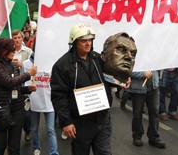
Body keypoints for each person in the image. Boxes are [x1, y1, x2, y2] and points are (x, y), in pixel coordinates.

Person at [51, 24, 129, 155]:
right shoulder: (62, 65)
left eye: (90, 40)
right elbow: (59, 96)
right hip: (80, 123)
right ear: (74, 42)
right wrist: (66, 122)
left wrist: (121, 81)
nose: (88, 43)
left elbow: (109, 79)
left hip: (103, 119)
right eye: (83, 41)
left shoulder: (97, 58)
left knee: (104, 152)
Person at [0, 38, 37, 155]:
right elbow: (8, 82)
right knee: (0, 145)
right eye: (12, 49)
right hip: (0, 110)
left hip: (17, 109)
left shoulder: (14, 66)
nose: (14, 51)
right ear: (2, 51)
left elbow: (15, 86)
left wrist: (27, 89)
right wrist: (28, 74)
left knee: (14, 147)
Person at [23, 53, 59, 155]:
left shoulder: (52, 63)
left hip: (49, 101)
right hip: (34, 100)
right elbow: (24, 81)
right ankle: (36, 148)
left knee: (50, 129)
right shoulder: (26, 64)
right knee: (34, 128)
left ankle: (54, 152)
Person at [127, 70, 165, 148]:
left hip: (154, 87)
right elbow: (128, 69)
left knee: (155, 113)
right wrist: (142, 74)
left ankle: (153, 137)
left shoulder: (155, 56)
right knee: (137, 114)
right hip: (138, 88)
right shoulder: (133, 56)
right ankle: (137, 136)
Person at [12, 29, 33, 142]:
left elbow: (33, 67)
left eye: (19, 37)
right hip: (13, 85)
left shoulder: (28, 51)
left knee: (26, 114)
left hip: (25, 85)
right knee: (13, 111)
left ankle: (28, 130)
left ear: (22, 38)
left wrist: (22, 65)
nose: (17, 40)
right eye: (14, 38)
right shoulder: (9, 52)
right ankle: (13, 137)